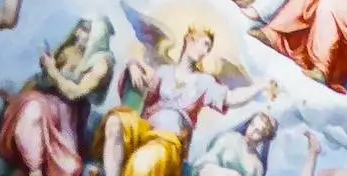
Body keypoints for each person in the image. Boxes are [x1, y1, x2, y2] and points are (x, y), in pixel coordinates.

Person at [99, 27, 273, 176]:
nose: (205, 52)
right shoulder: (164, 71)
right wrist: (132, 65)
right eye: (204, 44)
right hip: (144, 128)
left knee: (144, 162)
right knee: (115, 122)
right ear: (190, 39)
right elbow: (141, 90)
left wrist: (259, 87)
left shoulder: (205, 82)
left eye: (209, 49)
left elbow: (230, 98)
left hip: (168, 141)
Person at [0, 17, 117, 176]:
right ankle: (35, 168)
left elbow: (74, 93)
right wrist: (46, 70)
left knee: (69, 167)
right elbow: (44, 81)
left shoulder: (101, 63)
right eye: (79, 29)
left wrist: (52, 70)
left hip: (67, 114)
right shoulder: (70, 51)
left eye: (85, 30)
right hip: (45, 103)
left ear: (98, 35)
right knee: (33, 108)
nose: (78, 34)